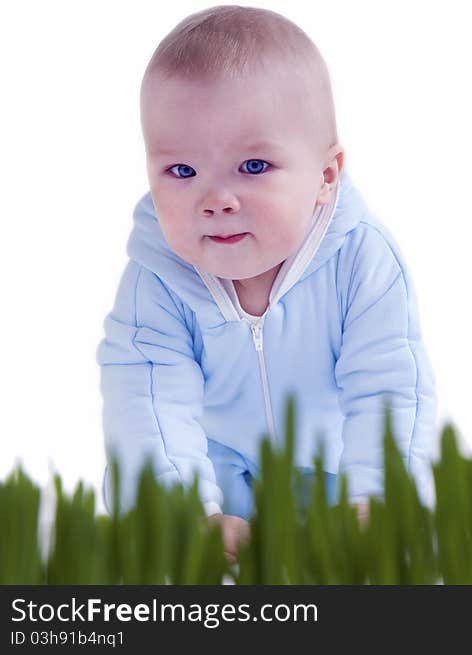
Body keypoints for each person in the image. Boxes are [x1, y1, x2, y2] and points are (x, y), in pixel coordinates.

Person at [96, 5, 438, 563]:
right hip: (213, 468)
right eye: (182, 172)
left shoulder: (362, 261)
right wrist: (191, 513)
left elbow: (390, 389)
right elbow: (147, 403)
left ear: (326, 177)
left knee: (401, 532)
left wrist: (377, 497)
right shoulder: (156, 279)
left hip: (333, 470)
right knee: (148, 517)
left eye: (253, 166)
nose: (216, 200)